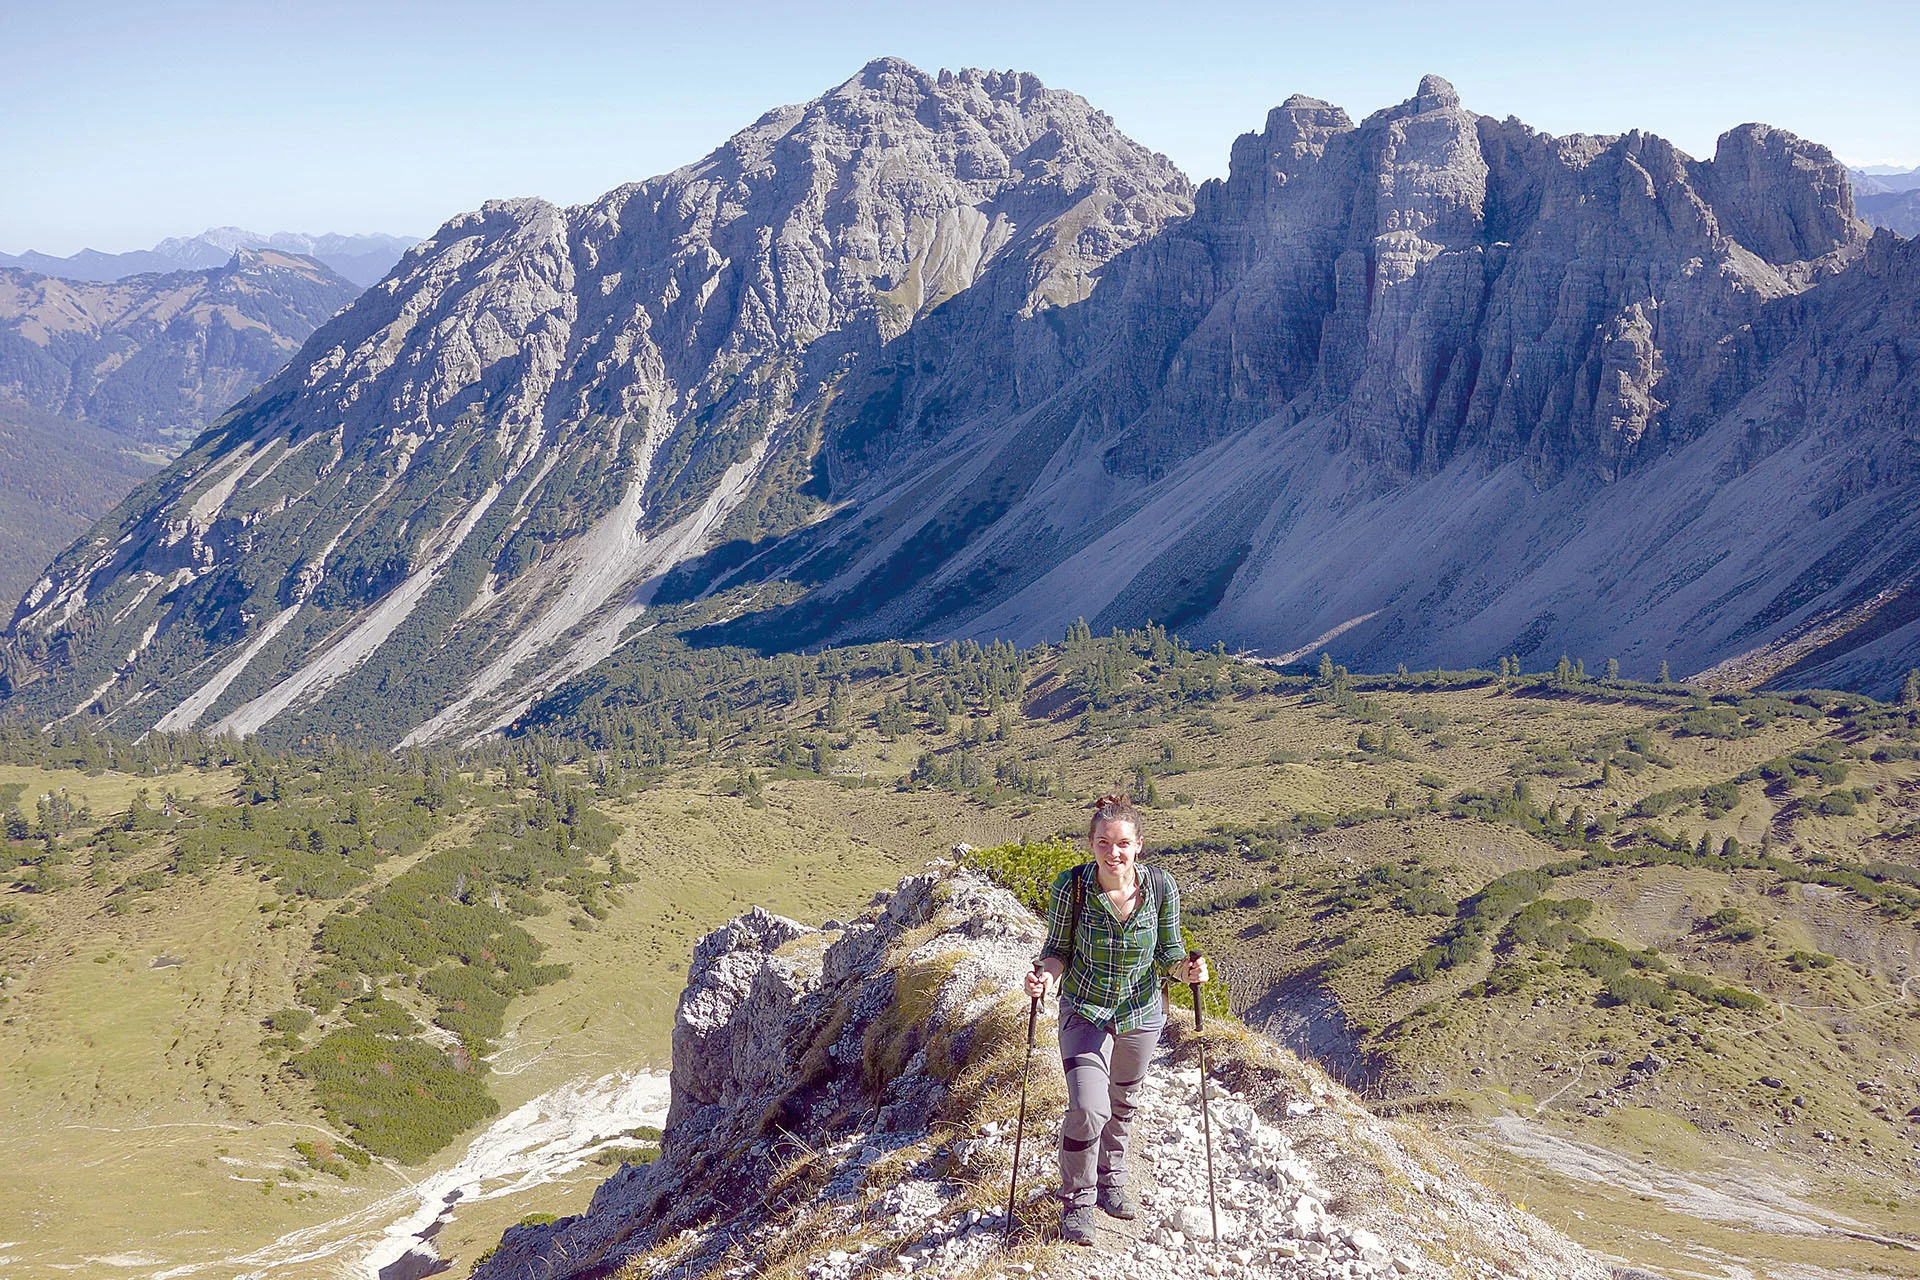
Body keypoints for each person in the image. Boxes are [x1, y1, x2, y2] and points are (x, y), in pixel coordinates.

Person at [1024, 792, 1208, 1246]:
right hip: (1084, 1011)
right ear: (1091, 845)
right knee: (1089, 1108)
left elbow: (1167, 949)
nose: (1114, 852)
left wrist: (1185, 970)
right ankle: (1078, 1202)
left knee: (1123, 1103)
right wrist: (1044, 979)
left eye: (1122, 843)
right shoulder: (1073, 886)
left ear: (1139, 845)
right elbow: (1057, 951)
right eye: (1104, 843)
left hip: (1142, 1014)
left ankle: (1112, 1179)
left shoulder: (1161, 888)